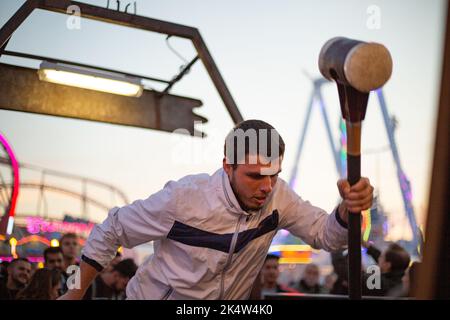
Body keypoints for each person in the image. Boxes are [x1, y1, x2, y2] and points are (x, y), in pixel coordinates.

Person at [60, 119, 374, 300]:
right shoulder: (183, 198)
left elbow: (326, 237)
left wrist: (347, 211)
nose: (266, 187)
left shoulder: (280, 197)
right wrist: (73, 293)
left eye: (274, 175)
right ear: (227, 166)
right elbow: (112, 228)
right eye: (254, 176)